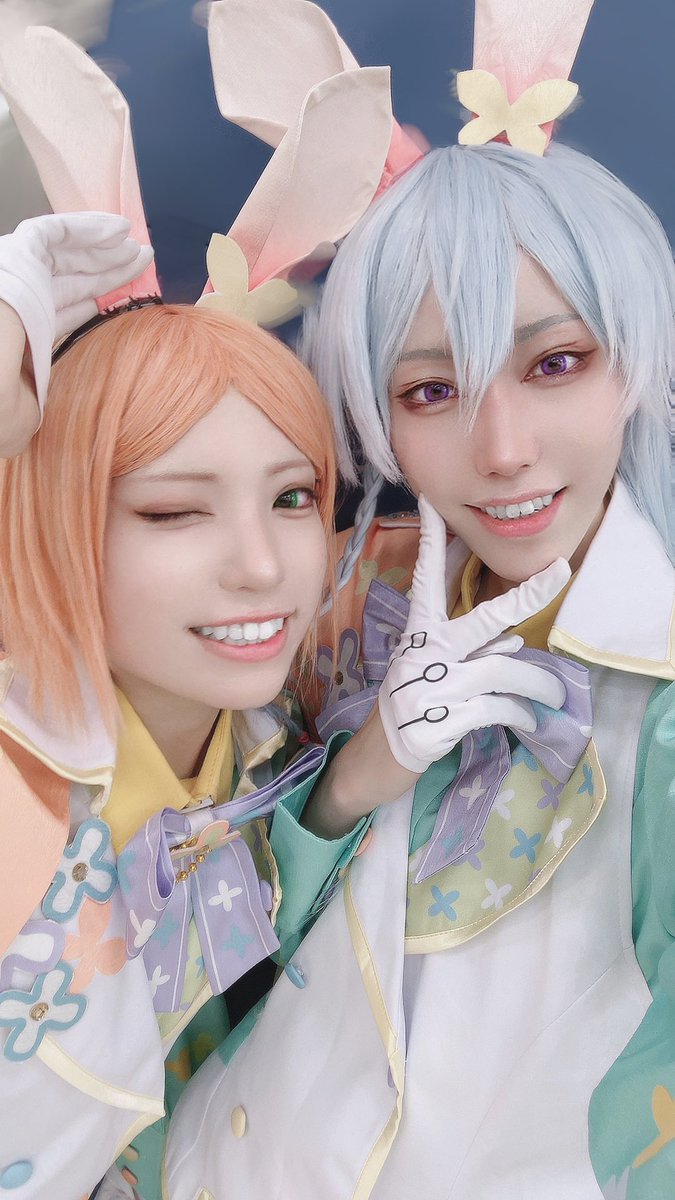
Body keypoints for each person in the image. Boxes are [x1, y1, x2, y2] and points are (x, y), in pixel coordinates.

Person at [163, 13, 675, 1200]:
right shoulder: (352, 594)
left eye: (555, 364)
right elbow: (219, 958)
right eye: (433, 390)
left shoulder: (660, 709)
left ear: (636, 363)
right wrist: (356, 778)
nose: (502, 450)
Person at [0, 212, 370, 1200]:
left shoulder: (271, 745)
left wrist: (346, 797)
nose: (261, 566)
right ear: (53, 519)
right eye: (173, 511)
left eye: (292, 499)